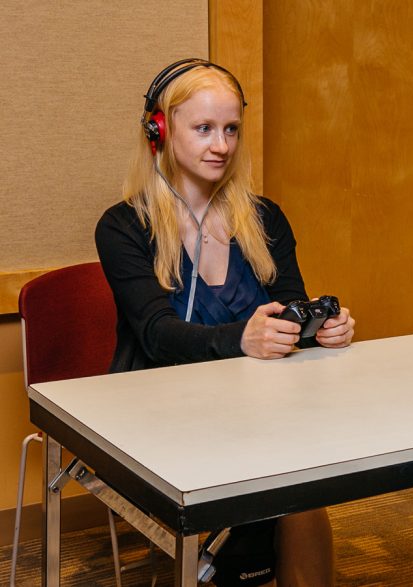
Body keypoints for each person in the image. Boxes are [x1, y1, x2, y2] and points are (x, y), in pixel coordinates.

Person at [95, 59, 353, 587]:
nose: (221, 145)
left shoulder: (264, 219)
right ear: (159, 131)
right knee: (288, 470)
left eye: (231, 129)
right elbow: (156, 334)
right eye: (204, 129)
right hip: (158, 410)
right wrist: (245, 338)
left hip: (257, 409)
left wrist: (318, 328)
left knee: (305, 479)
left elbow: (288, 304)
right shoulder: (124, 226)